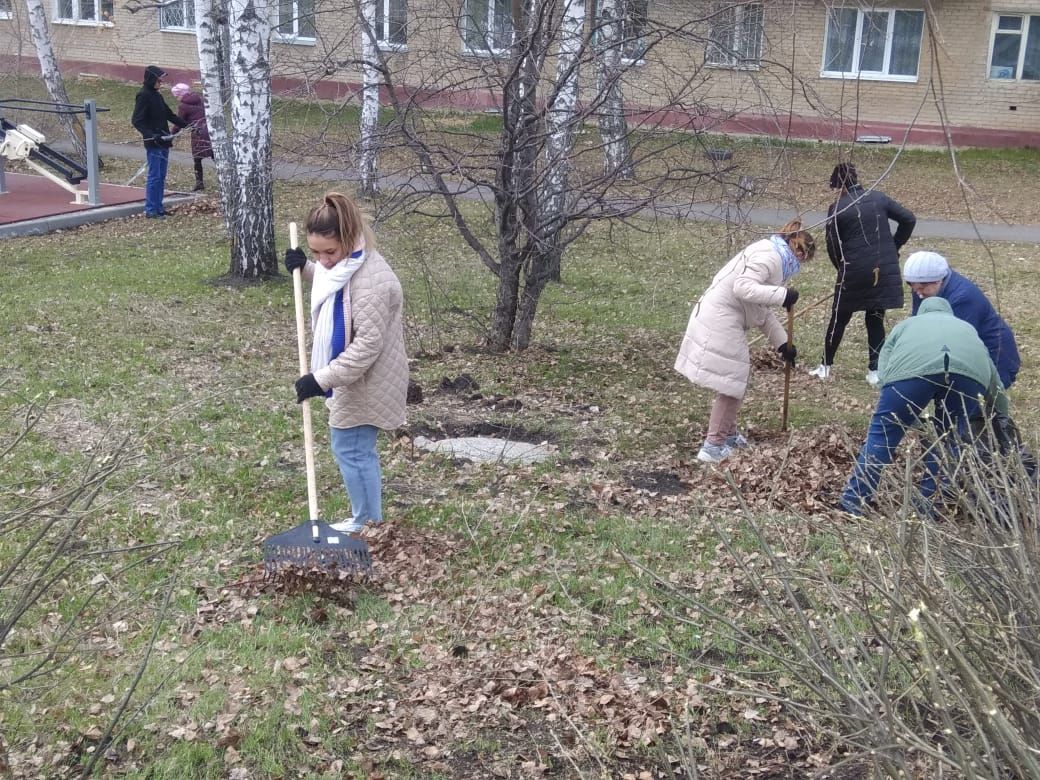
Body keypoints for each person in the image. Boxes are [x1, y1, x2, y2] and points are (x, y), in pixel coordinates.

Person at [284, 192, 409, 534]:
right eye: (315, 252)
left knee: (352, 449)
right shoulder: (351, 262)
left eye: (329, 252)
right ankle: (367, 518)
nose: (323, 261)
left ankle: (367, 523)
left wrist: (320, 379)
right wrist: (305, 268)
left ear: (349, 236)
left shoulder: (371, 281)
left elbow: (366, 348)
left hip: (370, 380)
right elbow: (335, 283)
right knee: (352, 447)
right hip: (359, 378)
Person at [838, 296, 1009, 516]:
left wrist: (890, 392)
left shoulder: (906, 325)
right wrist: (1002, 415)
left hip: (909, 375)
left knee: (882, 435)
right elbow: (993, 378)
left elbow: (884, 362)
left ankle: (852, 503)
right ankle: (930, 507)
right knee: (951, 439)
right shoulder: (966, 328)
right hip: (968, 377)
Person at [674, 220, 815, 463]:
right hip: (720, 318)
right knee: (732, 381)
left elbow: (759, 307)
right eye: (803, 260)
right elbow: (743, 288)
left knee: (734, 380)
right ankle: (713, 446)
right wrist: (783, 295)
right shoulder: (769, 256)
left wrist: (783, 344)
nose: (800, 266)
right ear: (797, 250)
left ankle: (727, 436)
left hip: (723, 317)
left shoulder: (773, 255)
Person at [809, 163, 916, 386]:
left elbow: (832, 245)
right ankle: (874, 371)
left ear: (840, 186)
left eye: (835, 188)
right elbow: (909, 219)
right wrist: (893, 247)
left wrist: (842, 267)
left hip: (853, 271)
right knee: (875, 318)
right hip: (881, 269)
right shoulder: (878, 198)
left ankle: (825, 366)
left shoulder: (837, 208)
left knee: (839, 318)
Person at [903, 250, 1021, 389]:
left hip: (994, 355)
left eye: (921, 288)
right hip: (966, 353)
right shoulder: (922, 286)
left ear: (938, 280)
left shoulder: (963, 298)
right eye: (912, 286)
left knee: (982, 402)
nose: (918, 293)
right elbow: (920, 320)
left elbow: (956, 345)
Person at [131, 65, 187, 219]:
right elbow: (137, 120)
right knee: (154, 176)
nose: (161, 82)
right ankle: (151, 210)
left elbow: (169, 115)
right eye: (159, 79)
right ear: (151, 79)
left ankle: (159, 207)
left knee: (161, 176)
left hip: (164, 141)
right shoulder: (143, 95)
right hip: (154, 142)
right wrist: (151, 135)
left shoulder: (157, 95)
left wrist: (187, 125)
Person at [171, 83, 212, 192]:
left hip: (198, 132)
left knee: (197, 159)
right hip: (210, 130)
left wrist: (172, 134)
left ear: (180, 94)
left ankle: (199, 183)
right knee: (215, 156)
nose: (176, 98)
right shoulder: (200, 99)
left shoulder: (183, 106)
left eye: (176, 95)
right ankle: (226, 178)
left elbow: (179, 122)